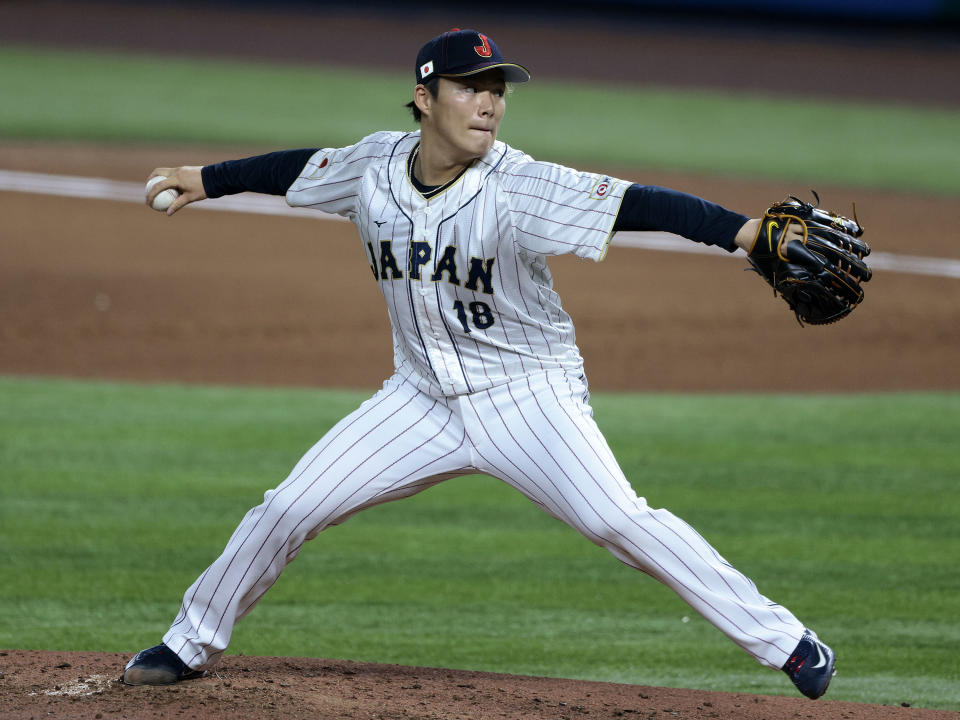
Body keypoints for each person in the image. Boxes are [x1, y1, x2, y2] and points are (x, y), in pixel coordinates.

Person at [125, 28, 836, 700]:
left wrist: (744, 233)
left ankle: (789, 642)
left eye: (498, 88)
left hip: (530, 398)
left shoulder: (518, 185)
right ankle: (187, 644)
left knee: (619, 521)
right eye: (472, 87)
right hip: (419, 400)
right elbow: (298, 169)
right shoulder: (374, 166)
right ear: (426, 99)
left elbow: (636, 205)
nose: (491, 103)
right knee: (286, 507)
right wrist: (204, 178)